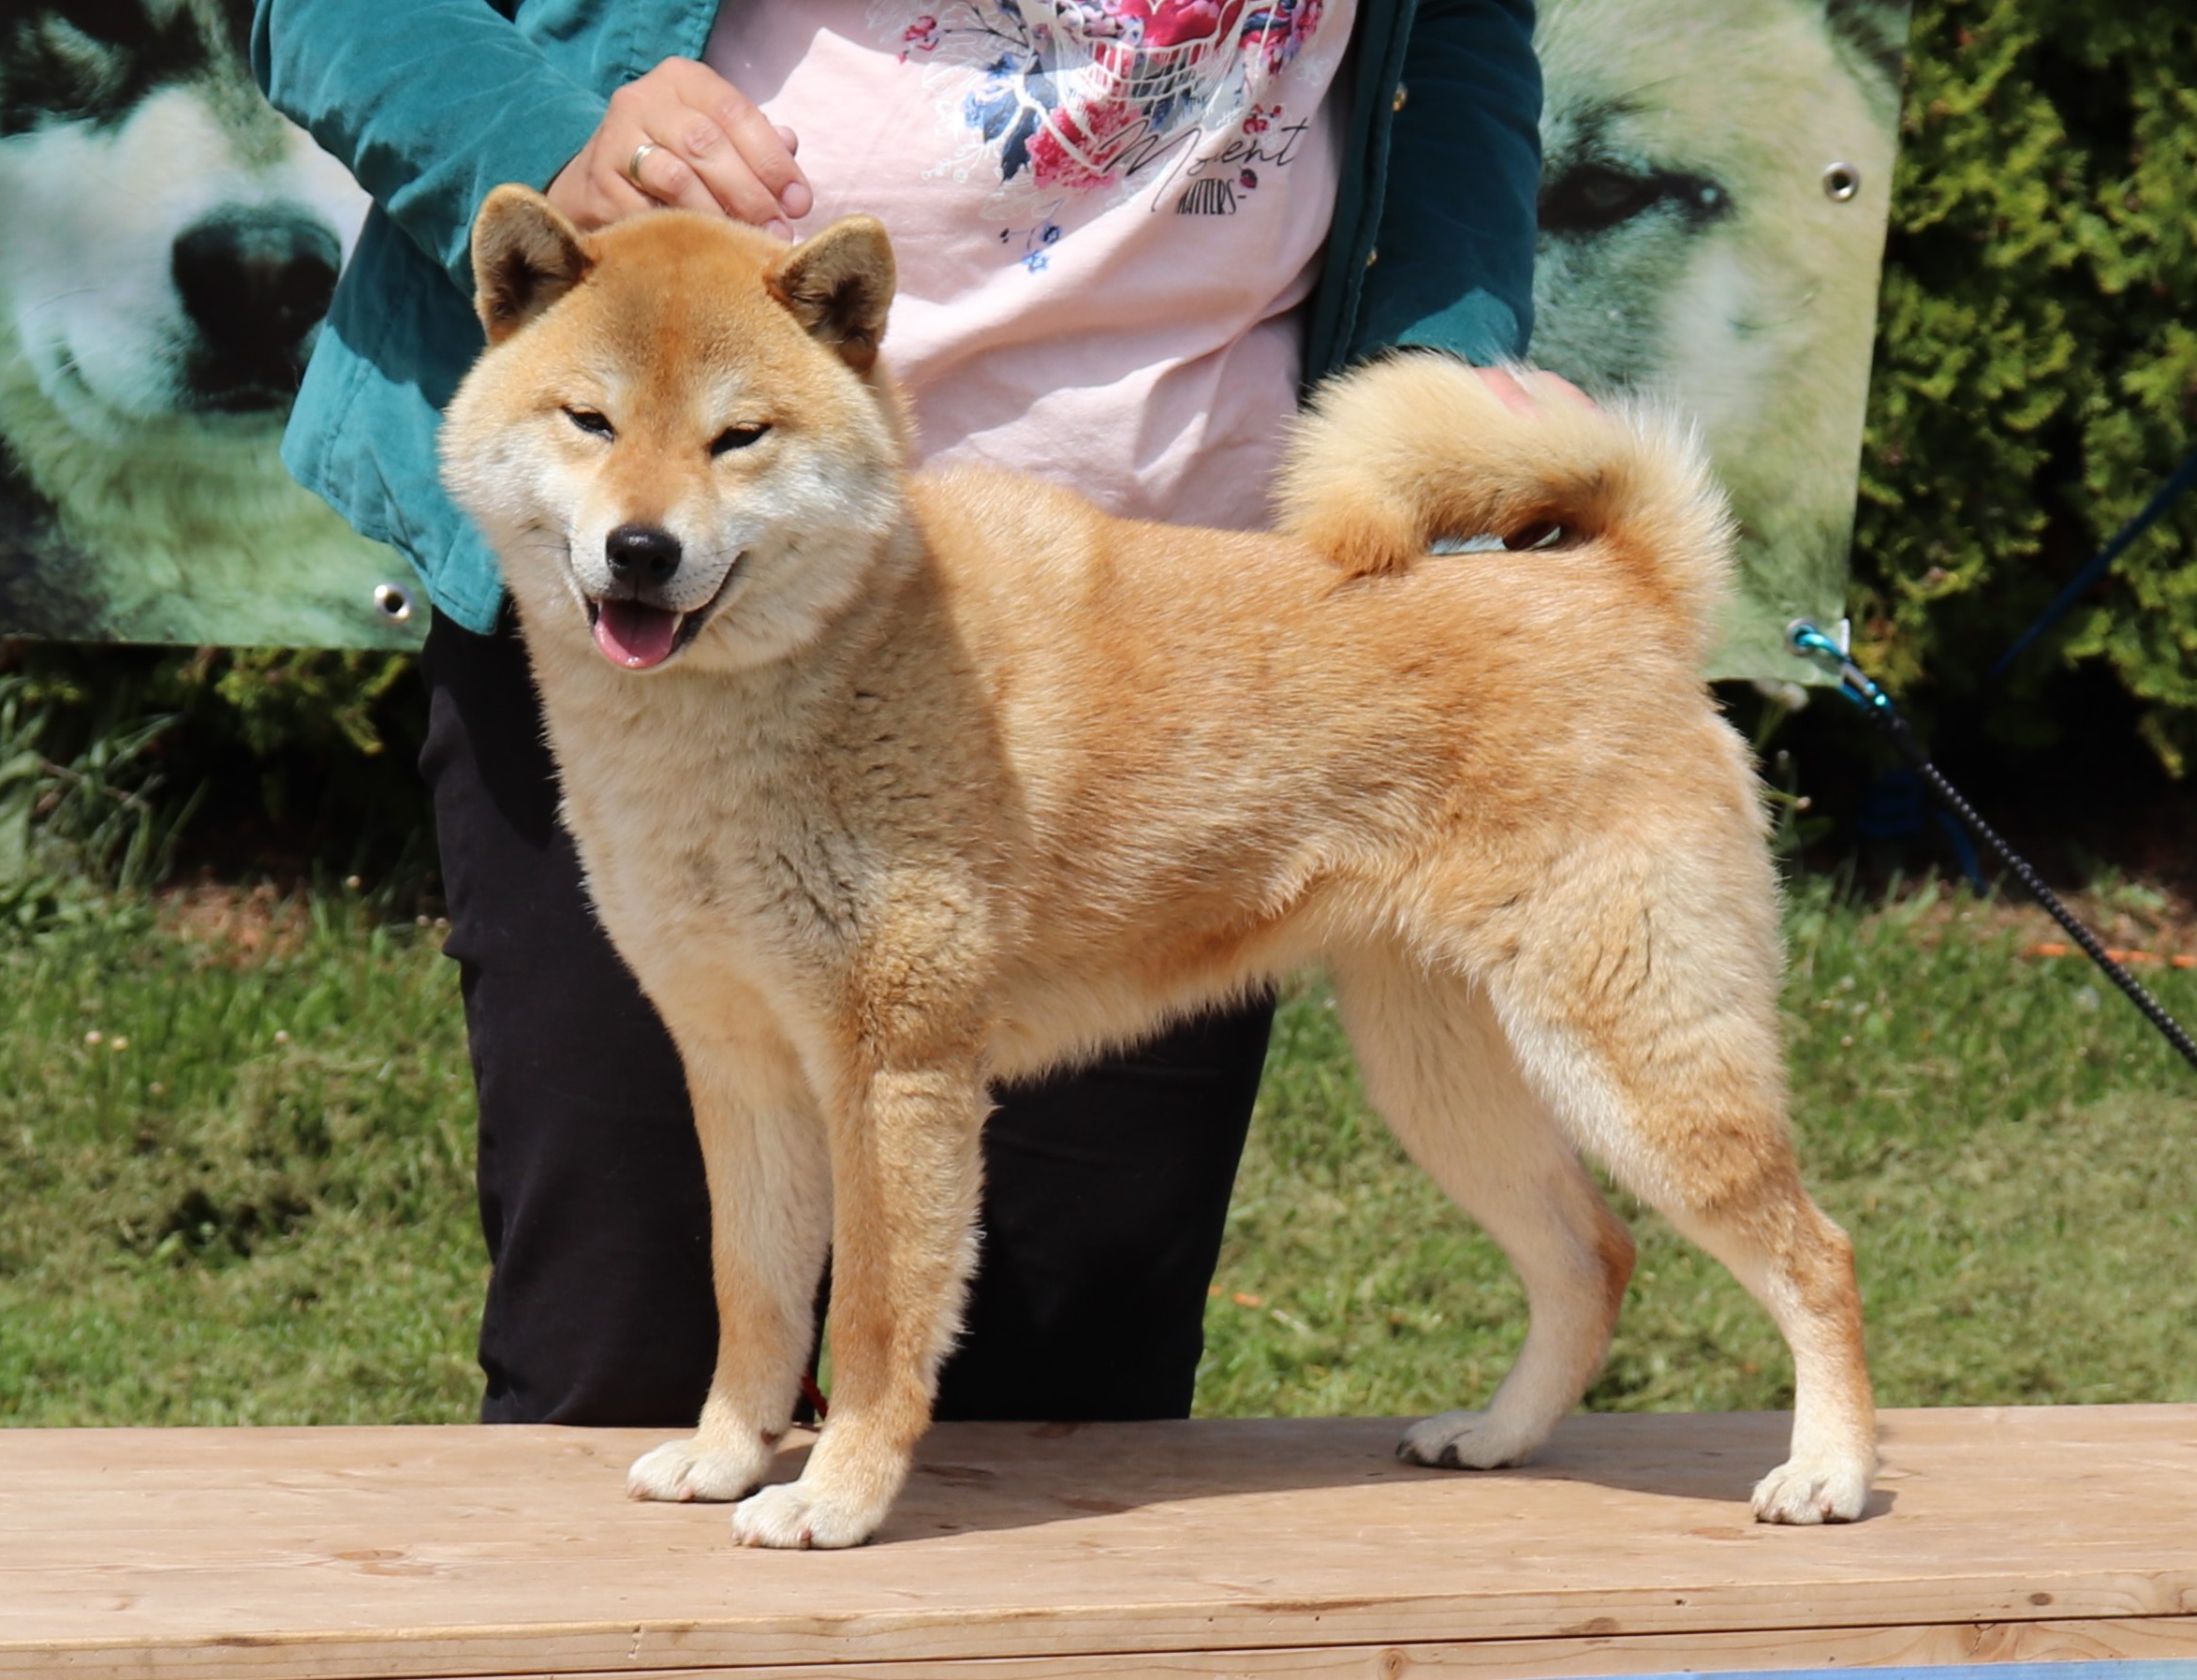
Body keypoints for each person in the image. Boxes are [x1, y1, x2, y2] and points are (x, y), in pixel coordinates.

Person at [250, 0, 1541, 1429]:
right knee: (627, 1382)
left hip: (1172, 641)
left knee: (1068, 1429)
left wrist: (1451, 355)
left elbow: (1458, 44)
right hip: (661, 606)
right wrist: (542, 150)